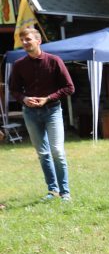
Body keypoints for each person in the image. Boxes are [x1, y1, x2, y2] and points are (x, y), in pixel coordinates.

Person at [8, 26, 75, 201]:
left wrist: (48, 98)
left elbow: (69, 87)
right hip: (30, 113)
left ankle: (65, 192)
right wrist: (24, 99)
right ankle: (52, 191)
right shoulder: (19, 65)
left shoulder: (54, 61)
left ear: (38, 41)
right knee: (43, 154)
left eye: (28, 39)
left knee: (57, 151)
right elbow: (14, 89)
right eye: (22, 40)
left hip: (52, 111)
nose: (24, 42)